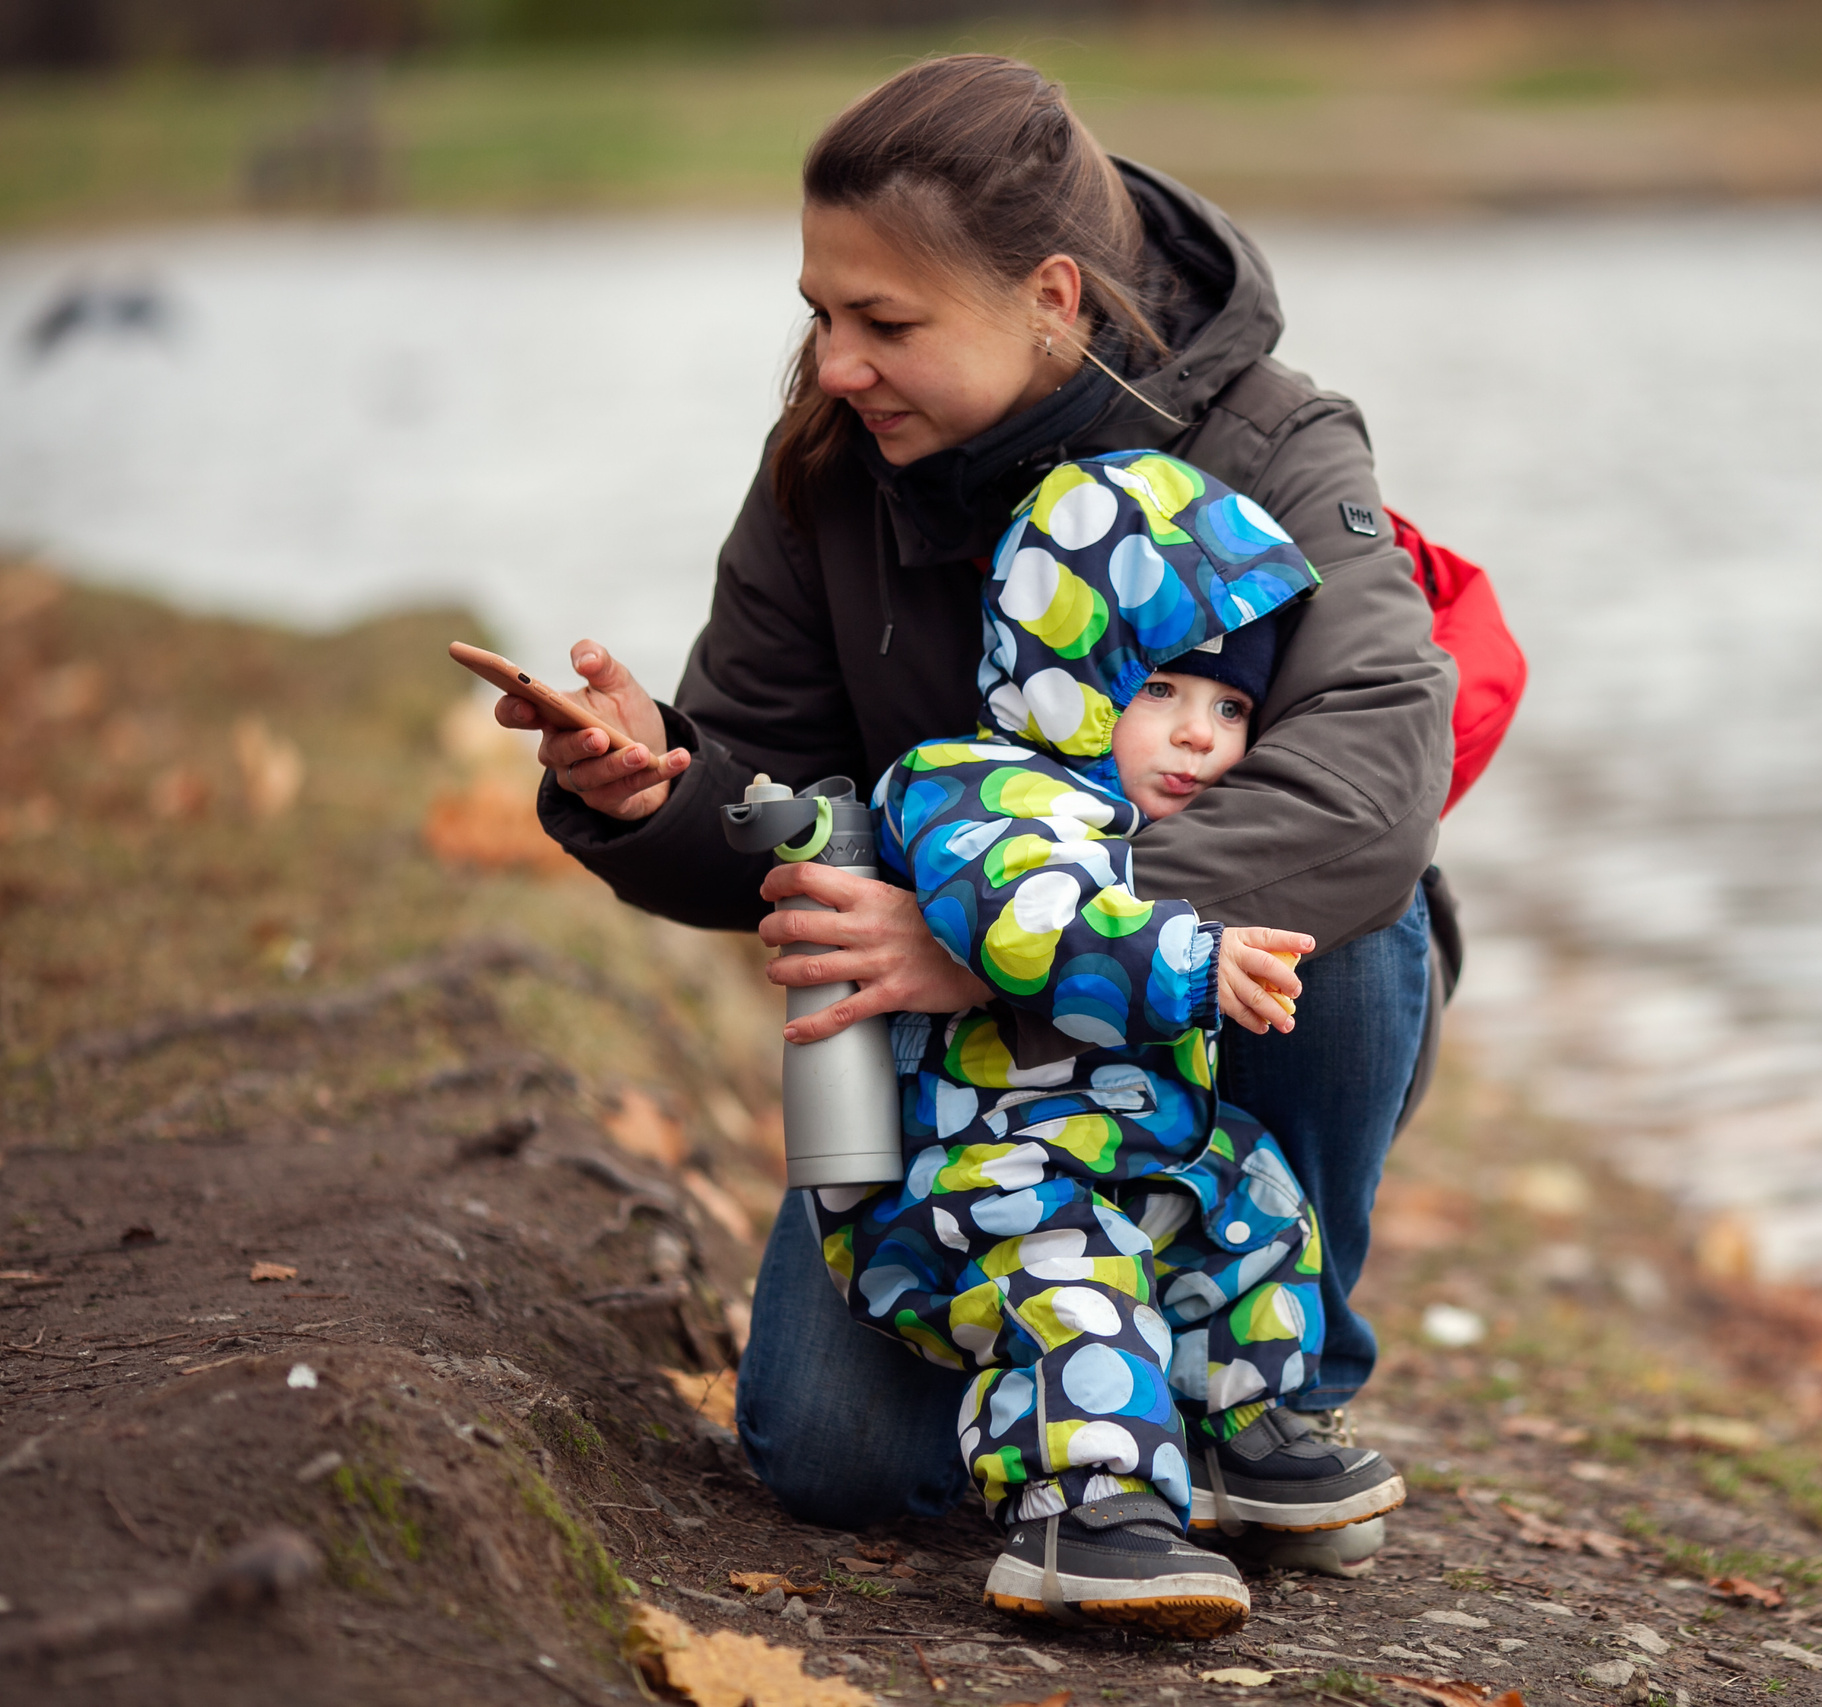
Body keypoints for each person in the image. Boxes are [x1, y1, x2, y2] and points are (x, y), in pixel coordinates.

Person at [507, 55, 1454, 1560]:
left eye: (885, 323)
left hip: (1207, 1017)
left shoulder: (1273, 444)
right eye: (820, 312)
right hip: (974, 1088)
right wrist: (655, 785)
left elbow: (1373, 777)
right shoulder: (830, 464)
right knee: (834, 1460)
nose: (836, 366)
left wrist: (1000, 938)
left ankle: (1263, 1397)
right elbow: (775, 789)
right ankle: (1098, 1379)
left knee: (1356, 904)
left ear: (1052, 301)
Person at [817, 452, 1404, 1630]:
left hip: (1117, 1151)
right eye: (1162, 691)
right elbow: (1031, 925)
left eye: (1229, 709)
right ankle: (1081, 1513)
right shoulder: (970, 789)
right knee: (1074, 1283)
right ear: (1072, 675)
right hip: (977, 1178)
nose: (1198, 738)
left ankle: (1236, 1433)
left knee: (1250, 1203)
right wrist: (1187, 960)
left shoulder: (1126, 817)